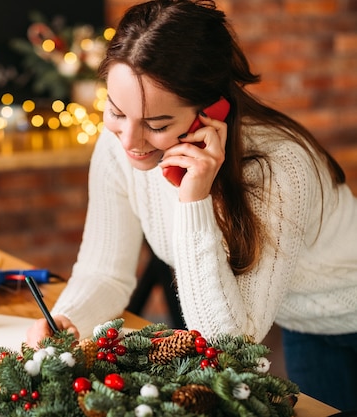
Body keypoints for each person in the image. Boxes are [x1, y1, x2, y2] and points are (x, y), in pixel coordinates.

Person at [26, 0, 357, 411]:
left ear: (211, 111)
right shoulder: (117, 148)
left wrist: (195, 198)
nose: (129, 140)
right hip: (303, 322)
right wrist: (69, 321)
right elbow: (104, 271)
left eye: (157, 124)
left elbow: (227, 347)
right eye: (116, 112)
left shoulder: (277, 167)